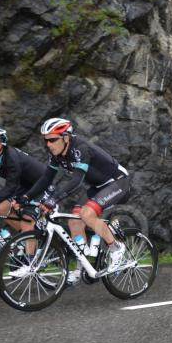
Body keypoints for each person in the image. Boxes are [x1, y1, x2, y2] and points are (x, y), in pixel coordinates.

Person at [20, 118, 129, 283]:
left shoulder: (80, 149)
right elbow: (46, 178)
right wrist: (26, 197)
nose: (48, 144)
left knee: (86, 214)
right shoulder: (56, 153)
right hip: (97, 186)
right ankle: (82, 268)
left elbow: (77, 180)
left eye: (52, 139)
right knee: (74, 222)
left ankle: (116, 248)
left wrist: (54, 199)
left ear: (66, 137)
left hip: (118, 182)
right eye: (46, 140)